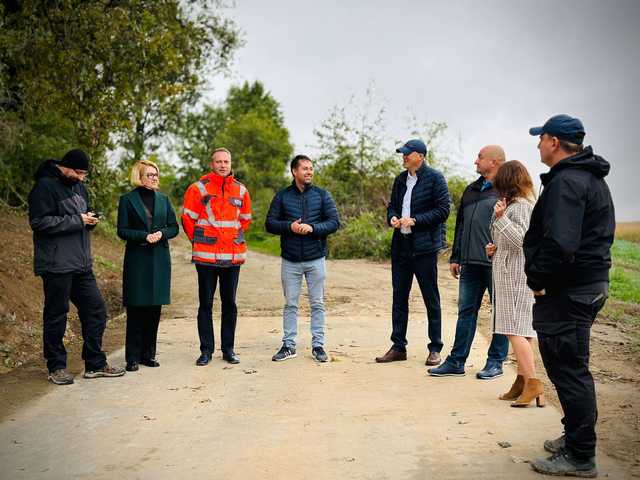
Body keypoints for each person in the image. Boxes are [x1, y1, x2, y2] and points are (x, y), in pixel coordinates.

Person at [524, 115, 614, 477]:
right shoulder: (583, 177)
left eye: (540, 138)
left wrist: (538, 279)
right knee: (569, 366)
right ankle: (575, 437)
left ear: (555, 142)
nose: (537, 145)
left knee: (569, 369)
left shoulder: (568, 181)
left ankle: (580, 455)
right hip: (583, 286)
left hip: (569, 289)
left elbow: (560, 242)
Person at [28, 149, 125, 384]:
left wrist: (89, 219)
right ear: (66, 167)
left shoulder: (79, 187)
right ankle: (56, 367)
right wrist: (77, 220)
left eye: (84, 174)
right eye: (79, 173)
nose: (82, 178)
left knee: (96, 310)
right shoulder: (44, 187)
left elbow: (81, 217)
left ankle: (94, 363)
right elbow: (39, 223)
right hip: (56, 264)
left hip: (81, 263)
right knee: (56, 316)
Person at [428, 145, 509, 379]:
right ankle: (456, 361)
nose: (476, 161)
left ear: (494, 162)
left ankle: (495, 362)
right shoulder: (471, 189)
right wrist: (456, 256)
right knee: (466, 312)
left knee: (499, 314)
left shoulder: (507, 190)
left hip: (497, 263)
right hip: (470, 263)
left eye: (480, 157)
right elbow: (461, 225)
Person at [375, 139, 450, 365]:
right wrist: (392, 218)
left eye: (408, 153)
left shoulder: (435, 178)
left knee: (430, 298)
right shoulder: (400, 180)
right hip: (401, 246)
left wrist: (415, 220)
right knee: (399, 297)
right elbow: (392, 205)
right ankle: (398, 347)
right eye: (403, 153)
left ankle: (435, 348)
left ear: (421, 156)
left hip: (424, 248)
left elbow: (443, 210)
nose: (404, 157)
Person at [181, 148, 252, 366]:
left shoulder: (241, 191)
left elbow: (245, 220)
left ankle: (228, 350)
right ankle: (206, 350)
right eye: (218, 161)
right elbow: (187, 219)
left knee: (230, 303)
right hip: (206, 258)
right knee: (206, 304)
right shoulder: (197, 189)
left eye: (226, 161)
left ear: (231, 164)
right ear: (211, 164)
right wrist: (202, 240)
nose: (223, 165)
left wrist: (230, 239)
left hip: (232, 257)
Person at [265, 154, 339, 363]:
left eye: (311, 168)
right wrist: (290, 226)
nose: (309, 172)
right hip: (290, 260)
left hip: (316, 259)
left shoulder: (322, 195)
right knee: (290, 304)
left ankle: (318, 346)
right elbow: (270, 223)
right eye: (305, 168)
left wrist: (312, 228)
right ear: (294, 171)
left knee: (317, 303)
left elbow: (334, 222)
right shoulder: (282, 196)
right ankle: (289, 345)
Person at [485, 160, 542, 407]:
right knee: (522, 330)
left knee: (513, 329)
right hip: (511, 272)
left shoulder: (521, 207)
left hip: (515, 277)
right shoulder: (515, 205)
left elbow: (521, 241)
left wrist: (501, 218)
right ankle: (523, 382)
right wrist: (494, 247)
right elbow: (509, 242)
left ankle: (532, 383)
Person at [117, 160, 179, 372]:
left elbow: (174, 227)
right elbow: (122, 230)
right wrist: (144, 236)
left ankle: (148, 355)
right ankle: (132, 358)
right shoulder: (127, 200)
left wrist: (162, 234)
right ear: (139, 177)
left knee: (154, 309)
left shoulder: (164, 199)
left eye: (156, 174)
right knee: (136, 309)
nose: (154, 178)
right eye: (150, 174)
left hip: (160, 260)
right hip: (137, 259)